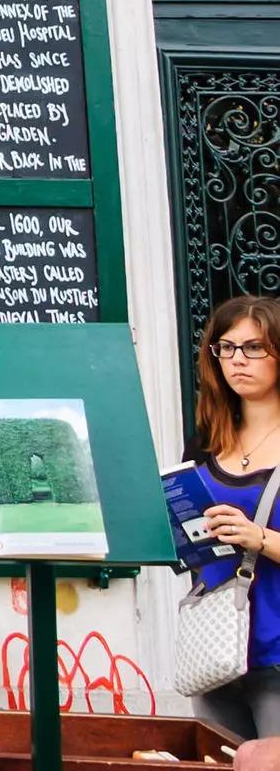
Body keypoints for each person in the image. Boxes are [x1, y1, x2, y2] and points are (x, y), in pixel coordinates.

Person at [180, 295, 280, 738]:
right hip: (215, 650)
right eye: (226, 347)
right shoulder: (204, 443)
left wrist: (258, 536)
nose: (238, 360)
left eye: (254, 347)